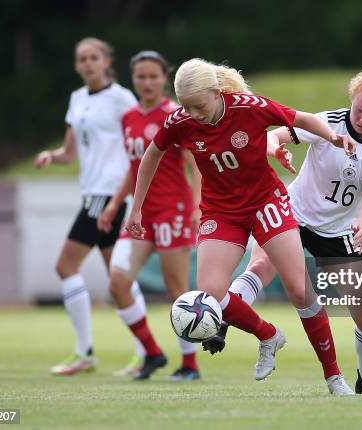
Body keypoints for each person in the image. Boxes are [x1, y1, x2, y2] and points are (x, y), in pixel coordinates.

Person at [125, 58, 358, 396]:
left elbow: (302, 118)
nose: (194, 114)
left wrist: (334, 138)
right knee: (210, 294)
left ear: (217, 93)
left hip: (266, 203)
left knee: (299, 290)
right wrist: (136, 209)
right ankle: (268, 335)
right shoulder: (180, 119)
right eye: (187, 107)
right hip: (221, 212)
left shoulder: (250, 107)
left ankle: (335, 378)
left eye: (199, 105)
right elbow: (151, 155)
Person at [205, 67, 362, 394]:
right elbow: (275, 134)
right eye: (358, 110)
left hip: (338, 231)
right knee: (260, 266)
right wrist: (274, 147)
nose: (361, 118)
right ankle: (222, 322)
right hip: (292, 214)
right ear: (352, 100)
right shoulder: (328, 121)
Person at [34, 37, 139, 375]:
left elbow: (140, 142)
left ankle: (89, 352)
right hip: (93, 194)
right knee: (117, 277)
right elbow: (70, 152)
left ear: (107, 62)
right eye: (82, 59)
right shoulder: (77, 99)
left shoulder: (121, 98)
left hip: (108, 195)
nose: (87, 63)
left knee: (68, 266)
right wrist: (52, 156)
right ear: (77, 65)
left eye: (94, 57)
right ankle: (143, 351)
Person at [97, 51, 203, 381]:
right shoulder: (129, 117)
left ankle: (190, 365)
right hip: (141, 215)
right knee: (118, 283)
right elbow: (136, 168)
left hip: (174, 211)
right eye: (140, 76)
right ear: (133, 79)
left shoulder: (176, 114)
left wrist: (199, 206)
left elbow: (195, 165)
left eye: (153, 76)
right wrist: (116, 205)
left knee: (176, 290)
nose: (146, 82)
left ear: (165, 78)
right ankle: (153, 353)